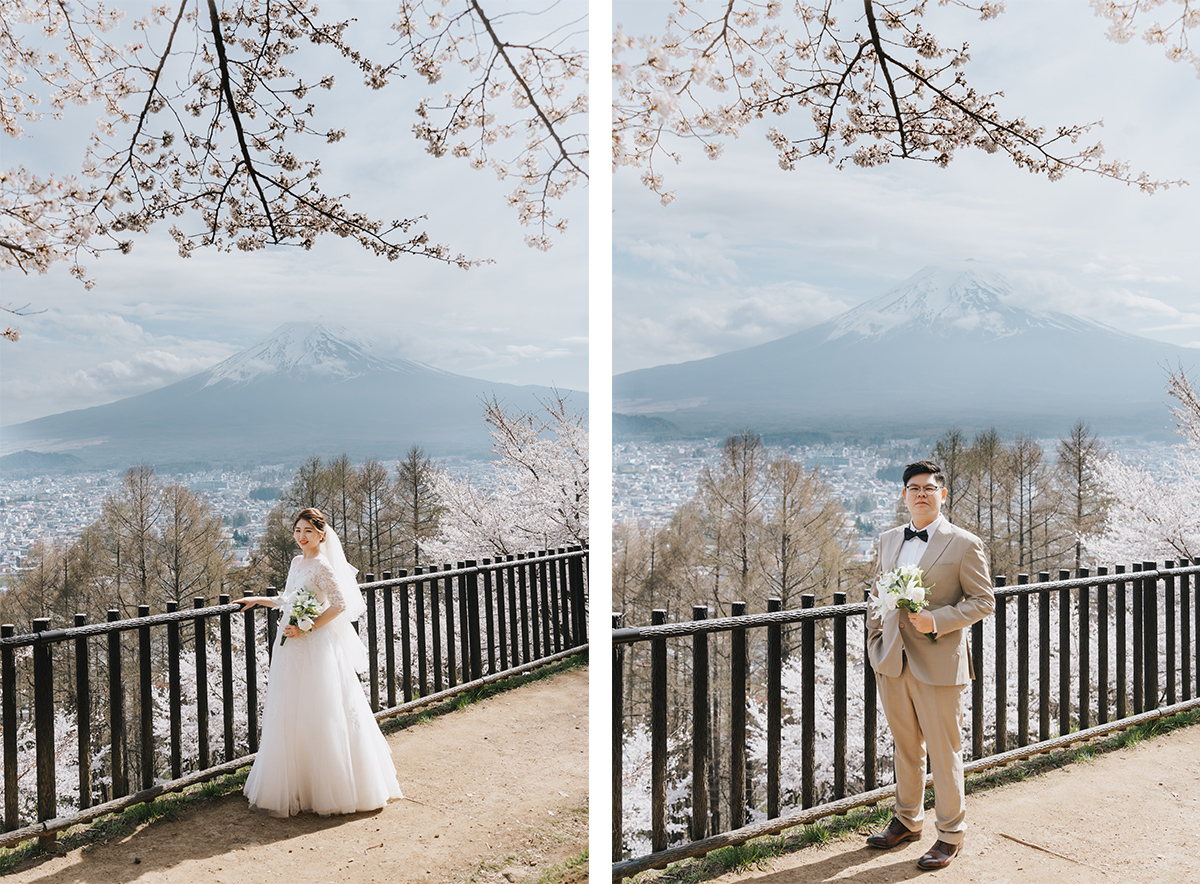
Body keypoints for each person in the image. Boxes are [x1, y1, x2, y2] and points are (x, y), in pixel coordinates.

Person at [864, 460, 994, 870]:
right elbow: (876, 592)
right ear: (904, 496)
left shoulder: (963, 543)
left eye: (929, 487)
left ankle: (950, 835)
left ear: (942, 494)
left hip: (938, 662)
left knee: (944, 751)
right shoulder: (887, 540)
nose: (921, 493)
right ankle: (906, 820)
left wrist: (936, 620)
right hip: (893, 661)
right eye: (914, 488)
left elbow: (984, 600)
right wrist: (875, 638)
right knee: (905, 750)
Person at [238, 507, 402, 816]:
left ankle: (328, 788)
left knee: (319, 709)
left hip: (314, 646)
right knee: (290, 708)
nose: (302, 536)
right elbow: (289, 598)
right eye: (298, 531)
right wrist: (258, 600)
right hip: (290, 646)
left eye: (308, 531)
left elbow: (339, 604)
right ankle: (298, 784)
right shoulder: (297, 561)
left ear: (321, 535)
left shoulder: (323, 566)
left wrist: (306, 627)